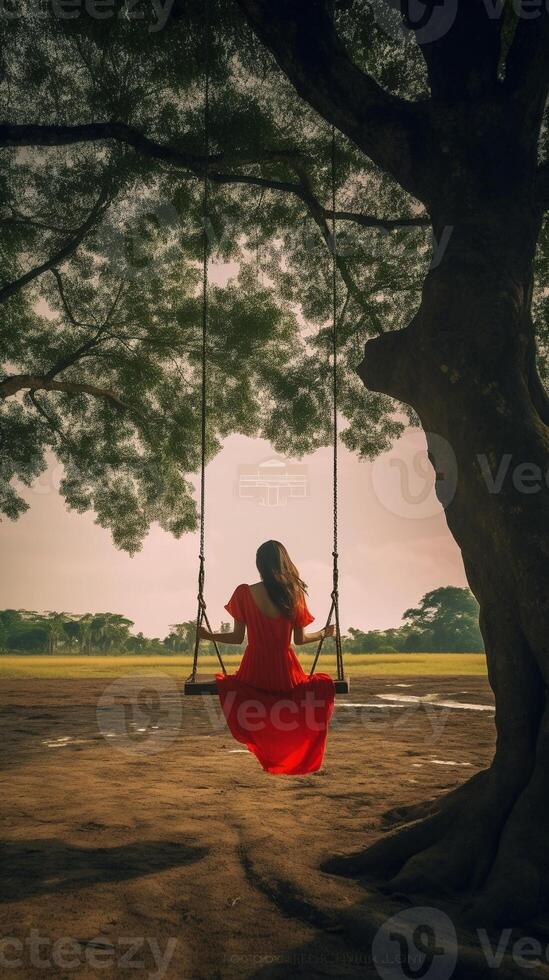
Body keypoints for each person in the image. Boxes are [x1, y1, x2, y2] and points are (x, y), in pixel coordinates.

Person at [198, 540, 336, 775]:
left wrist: (208, 635)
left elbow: (236, 638)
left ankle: (269, 752)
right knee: (308, 694)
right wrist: (325, 633)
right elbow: (300, 640)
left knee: (244, 697)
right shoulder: (293, 594)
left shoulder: (244, 593)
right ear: (284, 562)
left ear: (259, 564)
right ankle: (288, 755)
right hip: (285, 673)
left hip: (254, 672)